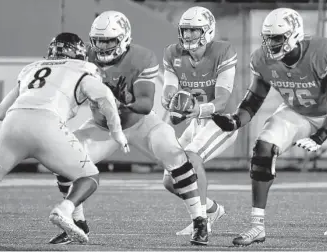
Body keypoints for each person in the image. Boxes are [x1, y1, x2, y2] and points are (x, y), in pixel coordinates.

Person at [49, 11, 208, 246]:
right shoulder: (86, 56)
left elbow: (144, 104)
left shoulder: (142, 57)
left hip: (139, 123)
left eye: (109, 41)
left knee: (174, 154)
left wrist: (120, 102)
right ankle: (77, 223)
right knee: (62, 159)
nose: (102, 47)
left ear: (123, 38)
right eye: (99, 40)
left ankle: (200, 221)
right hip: (103, 126)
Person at [211, 8, 327, 246]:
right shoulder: (262, 59)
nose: (271, 43)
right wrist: (235, 121)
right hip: (297, 112)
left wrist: (321, 135)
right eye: (268, 38)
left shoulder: (320, 52)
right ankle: (257, 226)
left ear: (295, 34)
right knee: (263, 148)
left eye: (277, 38)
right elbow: (253, 100)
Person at [0, 32, 130, 243]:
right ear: (79, 54)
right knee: (89, 177)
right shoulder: (84, 68)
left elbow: (0, 113)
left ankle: (78, 222)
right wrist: (117, 132)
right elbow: (105, 97)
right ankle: (65, 210)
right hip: (47, 123)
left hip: (13, 124)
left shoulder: (32, 68)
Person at [161, 6, 238, 235]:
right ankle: (212, 209)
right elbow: (169, 89)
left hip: (222, 120)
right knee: (170, 179)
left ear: (208, 31)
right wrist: (170, 100)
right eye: (185, 30)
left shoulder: (223, 51)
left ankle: (201, 221)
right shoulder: (172, 53)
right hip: (197, 122)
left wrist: (198, 110)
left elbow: (223, 100)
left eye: (194, 31)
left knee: (192, 157)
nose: (188, 36)